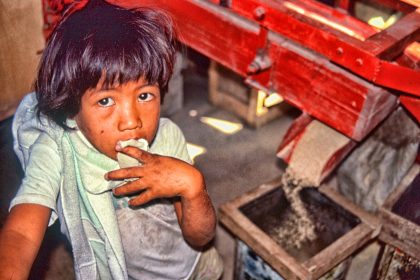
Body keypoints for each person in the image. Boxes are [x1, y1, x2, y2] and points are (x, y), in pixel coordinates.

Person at [0, 0, 223, 279]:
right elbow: (21, 232)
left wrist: (194, 188)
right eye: (106, 100)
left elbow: (201, 238)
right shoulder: (58, 148)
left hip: (195, 268)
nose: (131, 121)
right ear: (71, 108)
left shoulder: (167, 138)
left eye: (144, 95)